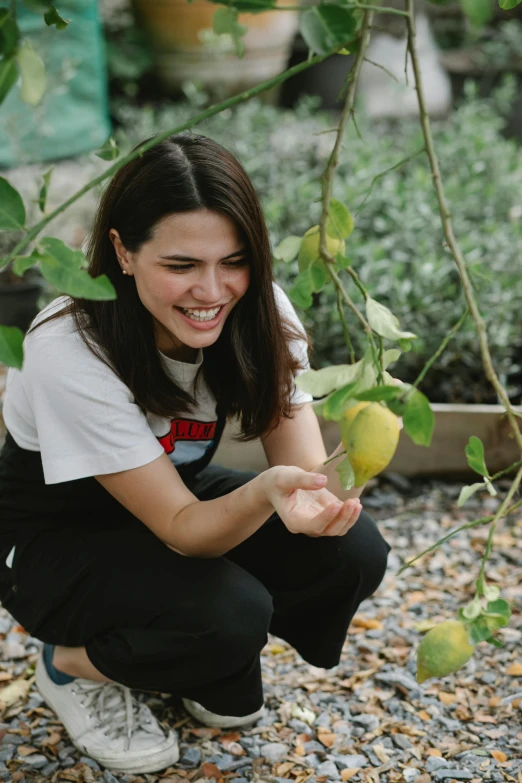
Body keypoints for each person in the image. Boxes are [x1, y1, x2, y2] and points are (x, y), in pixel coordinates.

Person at [0, 133, 391, 775]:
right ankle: (73, 663)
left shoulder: (257, 310)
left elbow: (305, 477)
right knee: (230, 616)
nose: (211, 291)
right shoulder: (70, 345)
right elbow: (185, 531)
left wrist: (324, 489)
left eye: (233, 261)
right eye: (181, 266)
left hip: (170, 504)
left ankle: (193, 646)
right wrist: (265, 494)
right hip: (52, 535)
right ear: (123, 251)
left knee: (352, 552)